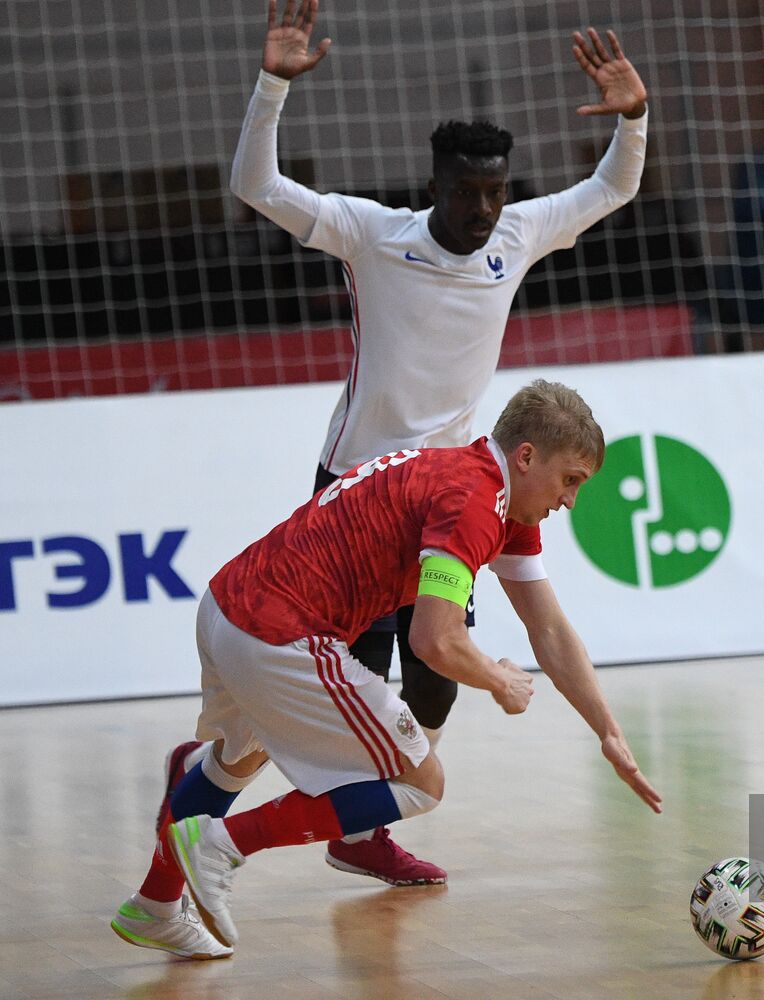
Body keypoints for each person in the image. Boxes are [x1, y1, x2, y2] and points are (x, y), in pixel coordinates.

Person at [228, 0, 650, 883]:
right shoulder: (373, 234)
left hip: (456, 491)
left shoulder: (520, 233)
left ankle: (358, 825)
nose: (483, 207)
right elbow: (256, 188)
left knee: (431, 680)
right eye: (466, 191)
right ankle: (241, 789)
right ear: (434, 185)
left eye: (495, 190)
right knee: (344, 678)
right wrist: (272, 83)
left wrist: (634, 118)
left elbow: (614, 189)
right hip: (353, 488)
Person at [109, 380, 663, 959]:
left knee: (238, 759)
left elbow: (548, 629)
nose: (571, 500)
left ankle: (154, 905)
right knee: (421, 783)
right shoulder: (475, 499)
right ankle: (222, 845)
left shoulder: (489, 493)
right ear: (527, 457)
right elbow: (434, 639)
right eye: (570, 479)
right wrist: (499, 680)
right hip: (280, 634)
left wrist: (608, 730)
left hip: (227, 606)